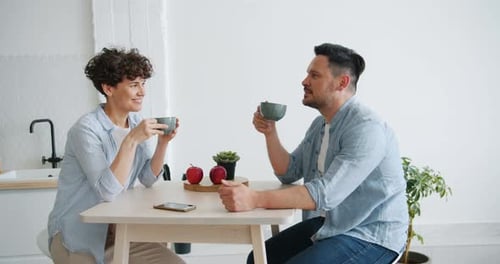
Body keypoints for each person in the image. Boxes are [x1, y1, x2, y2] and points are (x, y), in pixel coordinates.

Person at [218, 43, 408, 264]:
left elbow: (325, 194)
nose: (304, 81)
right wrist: (270, 132)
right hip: (334, 224)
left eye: (314, 75)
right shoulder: (321, 125)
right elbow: (288, 171)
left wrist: (255, 199)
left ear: (342, 82)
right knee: (260, 259)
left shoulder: (367, 128)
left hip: (372, 234)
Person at [47, 47, 185, 264]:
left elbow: (147, 178)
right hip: (79, 235)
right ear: (108, 88)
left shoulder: (135, 122)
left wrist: (162, 144)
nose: (142, 92)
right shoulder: (86, 130)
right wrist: (131, 140)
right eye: (133, 85)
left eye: (143, 83)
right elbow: (107, 191)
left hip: (119, 232)